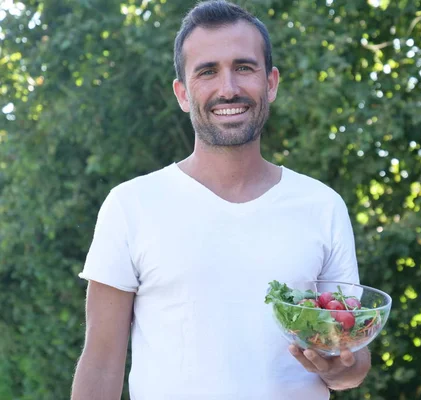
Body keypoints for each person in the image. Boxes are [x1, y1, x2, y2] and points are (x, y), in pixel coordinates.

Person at [70, 1, 371, 399]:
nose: (228, 88)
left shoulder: (322, 205)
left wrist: (339, 367)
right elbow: (101, 362)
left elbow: (354, 361)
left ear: (271, 83)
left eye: (244, 67)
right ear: (182, 93)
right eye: (207, 71)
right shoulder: (131, 206)